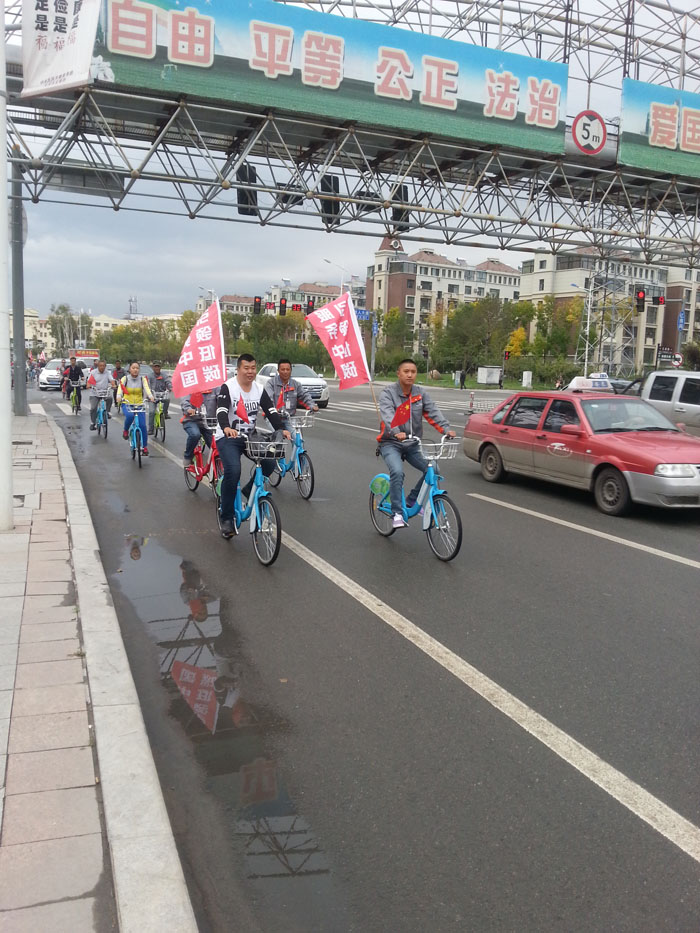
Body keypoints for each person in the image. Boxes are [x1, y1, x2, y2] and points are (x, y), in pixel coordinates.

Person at [215, 352, 290, 539]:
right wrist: (226, 427)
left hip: (250, 437)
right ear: (238, 369)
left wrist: (281, 429)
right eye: (246, 368)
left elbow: (270, 411)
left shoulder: (258, 389)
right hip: (228, 437)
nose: (250, 372)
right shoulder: (228, 387)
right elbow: (221, 410)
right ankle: (226, 517)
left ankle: (249, 490)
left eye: (253, 368)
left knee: (270, 463)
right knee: (233, 470)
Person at [377, 358, 456, 529]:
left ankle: (412, 500)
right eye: (406, 371)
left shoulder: (420, 393)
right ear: (398, 373)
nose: (410, 375)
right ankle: (397, 513)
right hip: (391, 443)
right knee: (397, 472)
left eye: (413, 372)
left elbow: (433, 412)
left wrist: (445, 429)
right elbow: (388, 415)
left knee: (434, 469)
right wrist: (396, 431)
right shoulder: (388, 393)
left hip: (413, 444)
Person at [265, 358, 319, 439]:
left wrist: (312, 405)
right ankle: (277, 446)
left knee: (298, 439)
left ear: (291, 370)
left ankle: (298, 447)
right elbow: (269, 399)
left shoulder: (295, 384)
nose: (285, 372)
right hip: (274, 417)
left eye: (287, 369)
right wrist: (274, 409)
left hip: (289, 418)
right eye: (283, 369)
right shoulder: (271, 383)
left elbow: (305, 395)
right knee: (278, 438)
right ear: (278, 371)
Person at [116, 361, 155, 456]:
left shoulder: (142, 379)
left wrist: (150, 396)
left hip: (139, 404)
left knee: (143, 426)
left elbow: (146, 388)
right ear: (130, 369)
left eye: (137, 368)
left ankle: (144, 447)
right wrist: (119, 396)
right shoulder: (125, 379)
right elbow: (120, 388)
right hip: (127, 403)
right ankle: (126, 430)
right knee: (130, 416)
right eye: (133, 368)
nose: (135, 370)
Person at [181, 388, 219, 467]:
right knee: (195, 435)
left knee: (217, 445)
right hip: (192, 420)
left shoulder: (216, 388)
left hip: (209, 422)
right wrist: (189, 409)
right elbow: (185, 401)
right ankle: (188, 456)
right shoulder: (191, 387)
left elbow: (222, 399)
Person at [86, 359, 116, 430]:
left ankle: (107, 412)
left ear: (105, 366)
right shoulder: (93, 372)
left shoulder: (107, 372)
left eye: (103, 366)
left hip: (104, 392)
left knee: (110, 398)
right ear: (98, 366)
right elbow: (89, 381)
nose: (102, 367)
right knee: (93, 408)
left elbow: (111, 380)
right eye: (100, 366)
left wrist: (113, 385)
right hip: (94, 393)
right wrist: (89, 385)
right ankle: (93, 423)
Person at [148, 362, 172, 435]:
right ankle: (151, 429)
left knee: (167, 400)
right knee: (152, 412)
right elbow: (147, 385)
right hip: (153, 396)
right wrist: (149, 393)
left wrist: (170, 387)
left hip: (162, 394)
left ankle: (165, 413)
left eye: (158, 366)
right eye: (155, 367)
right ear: (153, 368)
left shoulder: (164, 375)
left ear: (160, 367)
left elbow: (168, 382)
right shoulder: (150, 376)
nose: (157, 368)